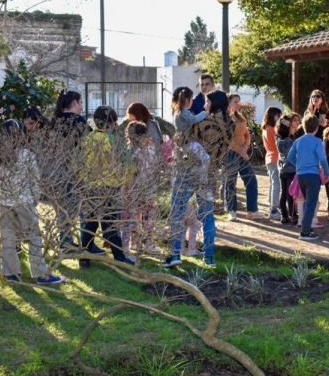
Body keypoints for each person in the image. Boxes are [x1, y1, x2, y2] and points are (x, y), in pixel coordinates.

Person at [163, 90, 232, 269]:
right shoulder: (227, 125)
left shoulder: (200, 122)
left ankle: (175, 253)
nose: (203, 105)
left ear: (213, 104)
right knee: (208, 216)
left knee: (177, 212)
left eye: (207, 102)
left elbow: (182, 141)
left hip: (186, 171)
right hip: (209, 175)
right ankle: (209, 257)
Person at [0, 119, 65, 285]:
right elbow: (34, 180)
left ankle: (11, 273)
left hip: (6, 202)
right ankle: (40, 273)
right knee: (34, 237)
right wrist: (34, 199)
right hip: (25, 201)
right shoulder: (27, 155)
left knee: (8, 239)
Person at [78, 106, 135, 267]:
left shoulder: (87, 139)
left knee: (90, 223)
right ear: (110, 123)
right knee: (110, 224)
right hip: (108, 187)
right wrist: (127, 179)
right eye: (115, 122)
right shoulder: (113, 140)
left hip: (90, 187)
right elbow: (126, 163)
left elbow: (79, 162)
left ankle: (84, 257)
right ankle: (119, 258)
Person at [50, 90, 90, 250]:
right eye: (80, 103)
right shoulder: (79, 121)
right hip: (76, 170)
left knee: (63, 209)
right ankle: (86, 242)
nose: (81, 107)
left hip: (56, 170)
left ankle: (65, 241)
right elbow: (90, 144)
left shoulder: (55, 122)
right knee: (82, 208)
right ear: (74, 103)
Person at [288, 114, 329, 241]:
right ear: (317, 128)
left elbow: (290, 157)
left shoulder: (298, 141)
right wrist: (327, 172)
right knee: (311, 204)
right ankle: (305, 232)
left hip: (301, 175)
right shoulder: (318, 141)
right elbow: (322, 159)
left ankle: (307, 227)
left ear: (304, 127)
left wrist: (298, 166)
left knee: (308, 202)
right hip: (313, 175)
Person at [126, 120, 161, 255]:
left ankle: (134, 242)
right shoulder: (149, 150)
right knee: (148, 216)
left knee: (134, 215)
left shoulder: (129, 152)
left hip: (134, 188)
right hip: (148, 187)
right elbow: (155, 168)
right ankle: (148, 243)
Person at [224, 93, 259, 221]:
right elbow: (227, 139)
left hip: (242, 153)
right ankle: (231, 211)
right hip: (230, 154)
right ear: (228, 103)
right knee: (231, 182)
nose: (238, 103)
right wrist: (240, 151)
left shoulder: (241, 118)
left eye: (239, 101)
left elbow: (246, 135)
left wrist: (245, 147)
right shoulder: (225, 119)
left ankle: (252, 210)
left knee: (251, 180)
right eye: (235, 101)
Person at [276, 114, 301, 224]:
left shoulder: (287, 138)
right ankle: (292, 215)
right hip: (289, 169)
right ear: (288, 124)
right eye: (295, 121)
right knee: (289, 192)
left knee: (285, 192)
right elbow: (290, 155)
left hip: (284, 169)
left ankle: (285, 215)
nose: (297, 123)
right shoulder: (286, 140)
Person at [261, 106, 283, 220]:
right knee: (276, 184)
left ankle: (272, 204)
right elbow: (278, 144)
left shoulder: (265, 128)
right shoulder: (272, 129)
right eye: (279, 116)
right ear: (274, 116)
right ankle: (274, 208)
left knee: (273, 183)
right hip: (275, 158)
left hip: (269, 157)